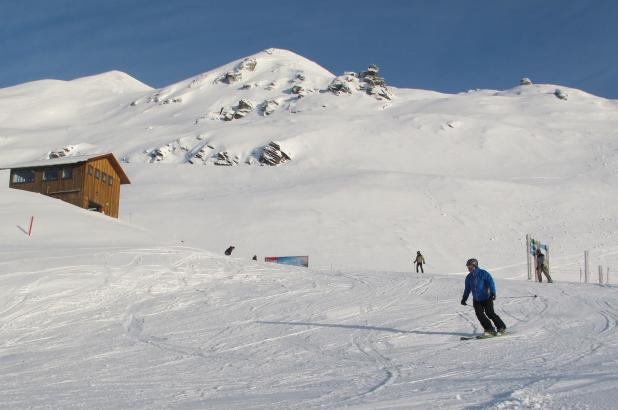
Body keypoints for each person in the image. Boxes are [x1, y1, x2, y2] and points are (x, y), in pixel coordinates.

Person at [461, 258, 507, 336]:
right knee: (479, 314)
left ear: (474, 265)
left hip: (486, 298)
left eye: (470, 266)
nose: (468, 268)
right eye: (468, 267)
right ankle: (489, 329)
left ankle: (501, 327)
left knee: (489, 313)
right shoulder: (469, 277)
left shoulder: (483, 273)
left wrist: (493, 292)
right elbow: (467, 289)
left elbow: (491, 282)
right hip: (477, 300)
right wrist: (464, 298)